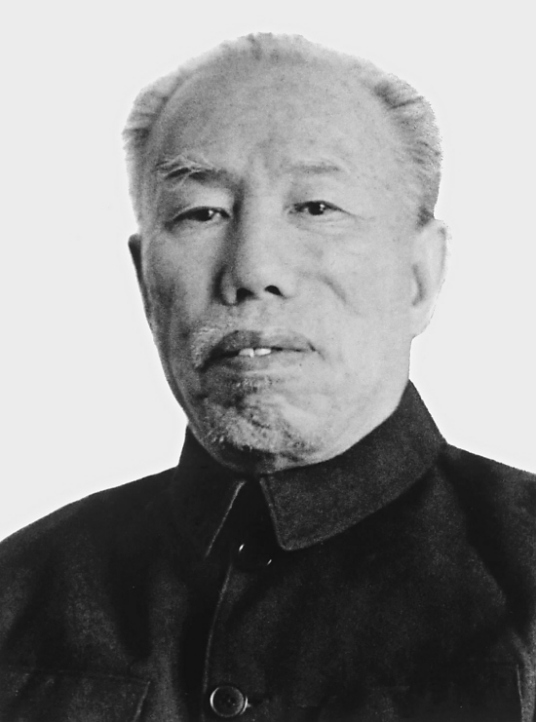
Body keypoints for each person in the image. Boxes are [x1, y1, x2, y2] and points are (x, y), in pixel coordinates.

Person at [0, 33, 534, 722]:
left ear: (419, 276)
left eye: (316, 207)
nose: (252, 269)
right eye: (201, 213)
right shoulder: (17, 593)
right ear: (145, 282)